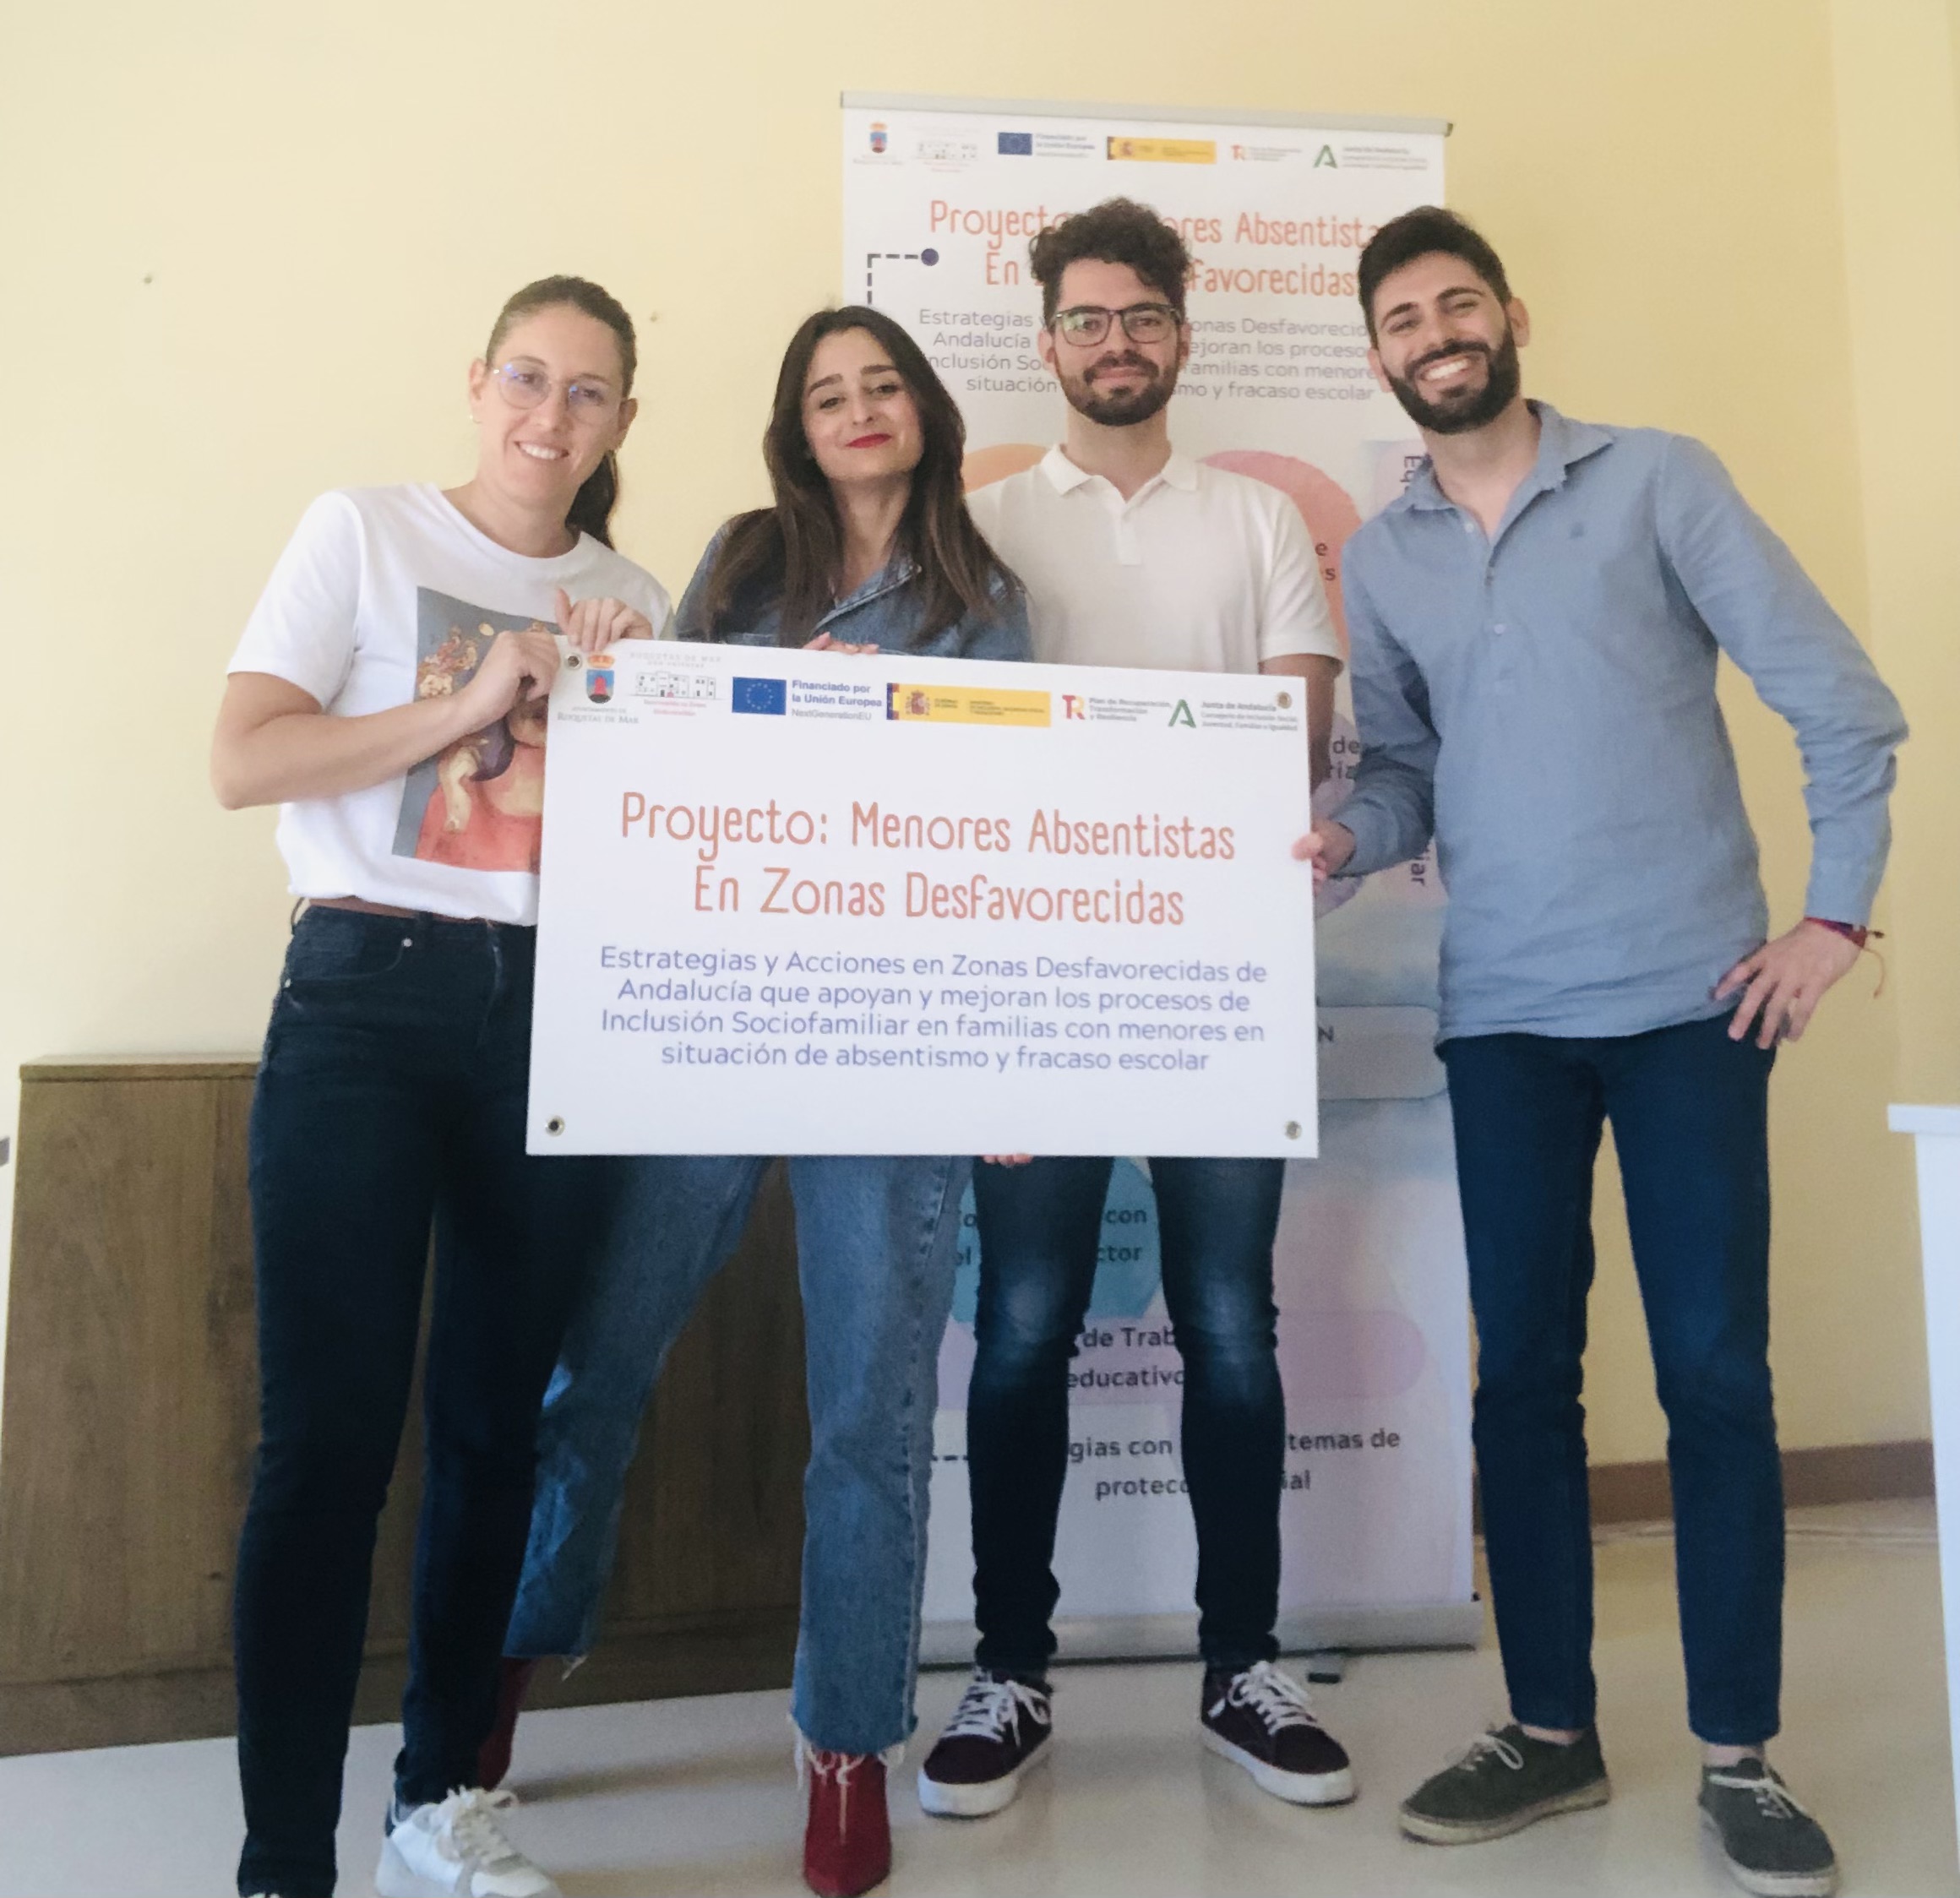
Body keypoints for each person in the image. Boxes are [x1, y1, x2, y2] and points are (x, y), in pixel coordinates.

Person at [1293, 206, 1906, 1898]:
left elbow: (1840, 703)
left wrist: (1832, 920)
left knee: (1712, 1376)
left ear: (1509, 315)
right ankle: (1548, 1730)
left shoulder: (1657, 480)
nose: (1435, 333)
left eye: (1457, 303)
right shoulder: (1386, 557)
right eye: (1402, 318)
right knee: (1519, 1381)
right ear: (1377, 356)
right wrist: (1343, 838)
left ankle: (1739, 1753)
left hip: (1693, 1007)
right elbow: (1404, 775)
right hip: (1502, 1019)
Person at [485, 305, 1030, 1898]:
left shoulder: (986, 602)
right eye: (827, 393)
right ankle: (506, 1656)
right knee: (597, 1360)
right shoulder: (738, 562)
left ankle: (846, 1738)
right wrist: (789, 692)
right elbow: (657, 758)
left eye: (883, 386)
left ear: (922, 410)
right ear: (796, 425)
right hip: (714, 1012)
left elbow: (1006, 831)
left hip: (894, 1039)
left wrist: (1010, 1053)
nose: (858, 411)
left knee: (871, 1409)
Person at [210, 275, 667, 1898]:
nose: (552, 415)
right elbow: (244, 758)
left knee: (493, 1430)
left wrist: (649, 704)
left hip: (555, 1016)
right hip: (364, 995)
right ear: (478, 384)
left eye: (589, 391)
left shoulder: (635, 597)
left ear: (622, 420)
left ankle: (439, 1798)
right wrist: (469, 702)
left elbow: (656, 851)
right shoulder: (364, 530)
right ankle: (284, 1855)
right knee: (326, 1444)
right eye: (528, 378)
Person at [917, 197, 1351, 1821]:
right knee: (1024, 1326)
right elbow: (947, 754)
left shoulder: (1258, 521)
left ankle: (1244, 1666)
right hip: (1036, 989)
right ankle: (1009, 1670)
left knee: (1230, 1324)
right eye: (1088, 319)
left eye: (1143, 317)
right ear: (1046, 342)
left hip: (1221, 983)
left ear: (1181, 333)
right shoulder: (980, 528)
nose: (1117, 343)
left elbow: (1295, 740)